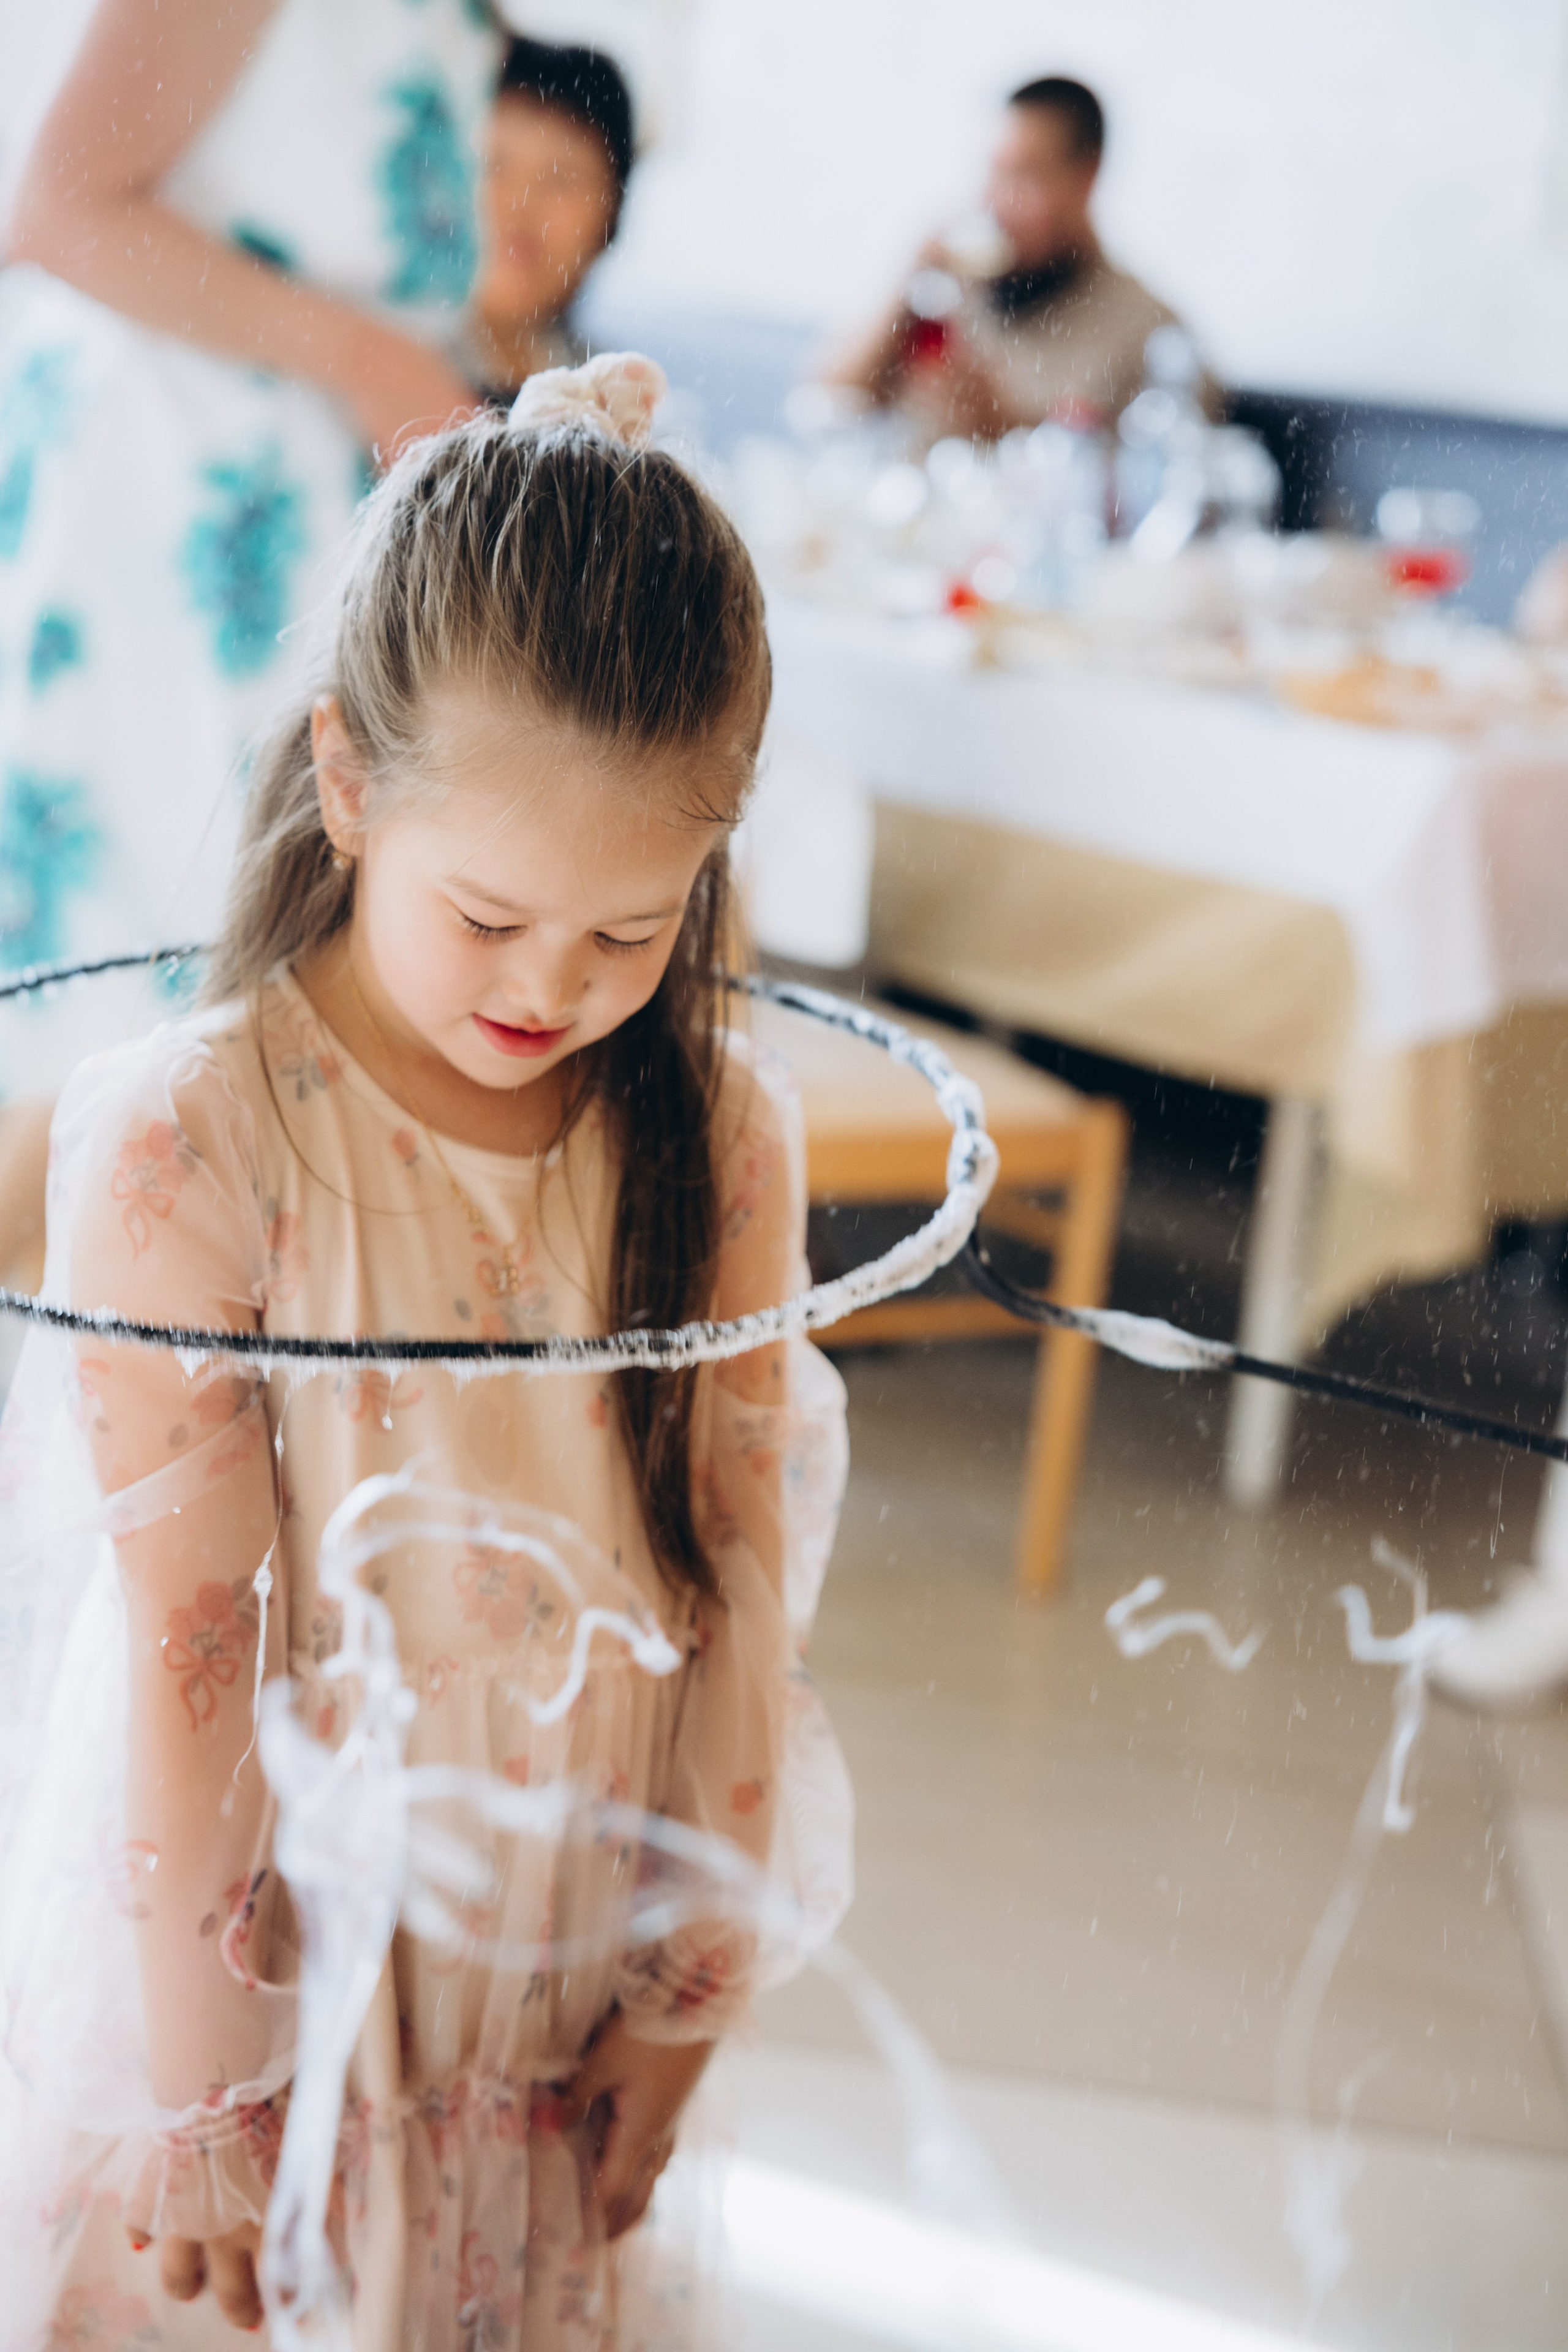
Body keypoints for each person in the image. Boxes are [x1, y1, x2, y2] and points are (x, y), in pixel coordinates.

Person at [0, 354, 852, 2342]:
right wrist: (211, 2083)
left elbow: (739, 1565)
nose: (554, 990)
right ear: (348, 781)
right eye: (490, 919)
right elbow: (197, 1656)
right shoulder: (189, 1138)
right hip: (270, 1922)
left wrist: (684, 1985)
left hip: (572, 1912)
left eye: (633, 931)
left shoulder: (717, 1129)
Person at [0, 0, 499, 1292]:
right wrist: (368, 358)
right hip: (176, 515)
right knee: (113, 1024)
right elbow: (55, 208)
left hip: (297, 512)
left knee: (196, 1043)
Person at [826, 75, 1207, 442]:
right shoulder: (953, 292)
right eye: (994, 173)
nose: (996, 202)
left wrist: (1003, 429)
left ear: (1086, 177)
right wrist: (907, 286)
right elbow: (826, 404)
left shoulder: (1151, 334)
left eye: (1023, 177)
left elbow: (1142, 485)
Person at [464, 37, 636, 402]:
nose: (520, 204)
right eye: (495, 165)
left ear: (613, 213)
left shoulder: (614, 400)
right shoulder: (374, 361)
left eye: (561, 180)